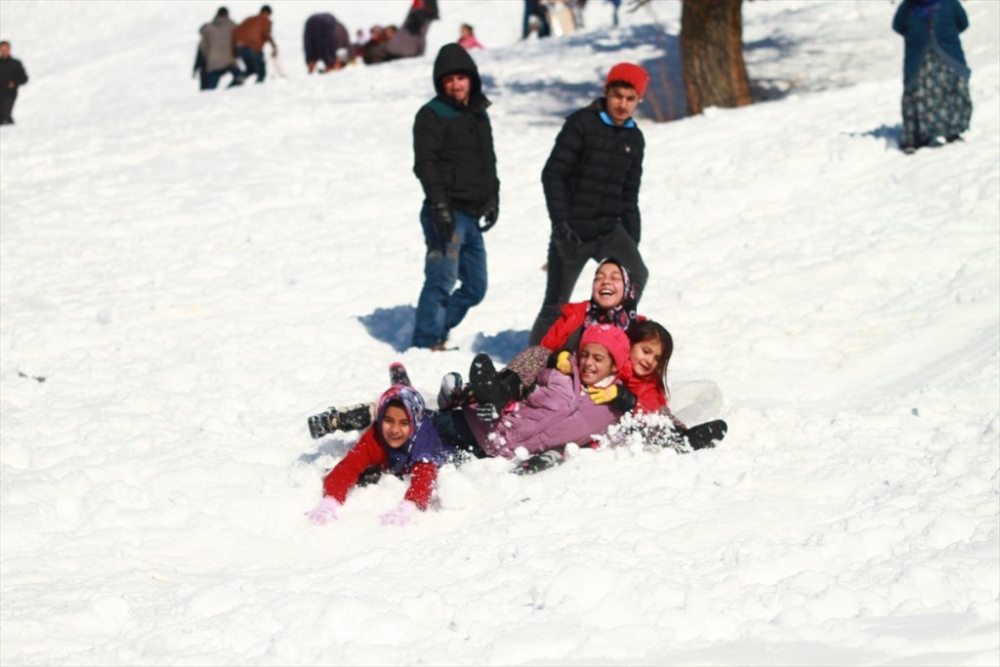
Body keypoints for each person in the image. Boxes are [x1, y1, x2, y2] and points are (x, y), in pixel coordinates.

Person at [528, 62, 651, 347]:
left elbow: (630, 193)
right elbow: (553, 174)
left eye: (630, 99)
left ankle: (604, 342)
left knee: (636, 275)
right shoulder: (582, 123)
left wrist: (632, 239)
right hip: (573, 230)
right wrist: (560, 224)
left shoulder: (635, 137)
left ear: (637, 101)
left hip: (609, 230)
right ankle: (527, 368)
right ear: (606, 93)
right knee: (555, 304)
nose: (622, 104)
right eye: (617, 96)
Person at [411, 43, 500, 351]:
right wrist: (439, 206)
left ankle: (436, 325)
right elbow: (425, 164)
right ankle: (426, 342)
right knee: (440, 280)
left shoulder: (478, 113)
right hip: (445, 212)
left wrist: (493, 197)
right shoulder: (431, 114)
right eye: (449, 79)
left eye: (461, 77)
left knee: (476, 287)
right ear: (441, 83)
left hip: (472, 214)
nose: (456, 84)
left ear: (471, 79)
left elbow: (487, 159)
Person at [435, 324, 633, 461]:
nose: (588, 362)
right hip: (484, 428)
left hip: (505, 456)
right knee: (426, 428)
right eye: (585, 355)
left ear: (615, 366)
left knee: (437, 461)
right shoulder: (563, 371)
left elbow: (644, 426)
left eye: (598, 359)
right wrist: (555, 358)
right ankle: (488, 392)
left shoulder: (612, 407)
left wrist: (626, 399)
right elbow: (532, 371)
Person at [304, 383, 457, 527]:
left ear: (413, 424)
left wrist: (407, 508)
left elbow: (424, 478)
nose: (394, 430)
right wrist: (329, 503)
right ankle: (350, 417)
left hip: (448, 438)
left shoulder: (422, 441)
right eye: (388, 420)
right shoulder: (376, 436)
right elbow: (349, 466)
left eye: (403, 423)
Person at [892, 0, 972, 154]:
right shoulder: (909, 6)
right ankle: (917, 137)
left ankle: (951, 132)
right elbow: (898, 26)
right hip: (918, 59)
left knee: (950, 91)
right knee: (918, 95)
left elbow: (963, 23)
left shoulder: (950, 3)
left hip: (948, 56)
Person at [199, 7, 245, 90]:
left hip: (213, 61)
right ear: (227, 14)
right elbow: (239, 41)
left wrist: (209, 57)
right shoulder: (232, 25)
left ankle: (209, 98)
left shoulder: (209, 28)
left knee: (210, 88)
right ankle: (228, 91)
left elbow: (203, 47)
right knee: (240, 77)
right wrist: (236, 54)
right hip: (229, 60)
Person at [234, 5, 277, 84]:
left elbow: (236, 31)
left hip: (241, 48)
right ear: (267, 13)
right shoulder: (265, 20)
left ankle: (235, 84)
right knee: (261, 71)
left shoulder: (248, 19)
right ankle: (259, 90)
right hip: (253, 48)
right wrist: (274, 46)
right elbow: (265, 33)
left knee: (251, 69)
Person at [0, 40, 28, 126]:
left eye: (6, 49)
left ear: (9, 49)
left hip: (10, 93)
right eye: (2, 50)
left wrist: (15, 83)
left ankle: (14, 131)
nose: (4, 52)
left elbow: (24, 78)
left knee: (6, 114)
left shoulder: (15, 64)